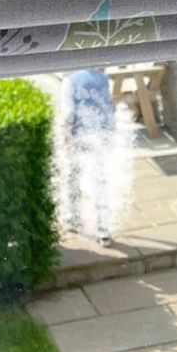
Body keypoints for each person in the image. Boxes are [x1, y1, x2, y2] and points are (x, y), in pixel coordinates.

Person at [61, 67, 124, 243]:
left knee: (73, 177)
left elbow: (68, 113)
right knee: (99, 182)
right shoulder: (102, 78)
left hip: (81, 136)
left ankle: (74, 217)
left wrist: (66, 139)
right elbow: (108, 108)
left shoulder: (70, 80)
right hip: (101, 136)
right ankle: (104, 230)